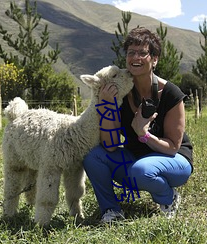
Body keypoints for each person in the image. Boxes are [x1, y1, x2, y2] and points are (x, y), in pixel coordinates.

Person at [83, 27, 193, 223]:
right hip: (136, 158)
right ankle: (111, 210)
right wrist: (108, 104)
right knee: (93, 156)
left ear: (155, 59)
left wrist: (143, 134)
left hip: (174, 160)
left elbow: (173, 147)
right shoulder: (122, 93)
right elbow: (110, 145)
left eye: (142, 53)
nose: (136, 57)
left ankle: (168, 198)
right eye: (131, 52)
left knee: (141, 171)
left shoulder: (170, 94)